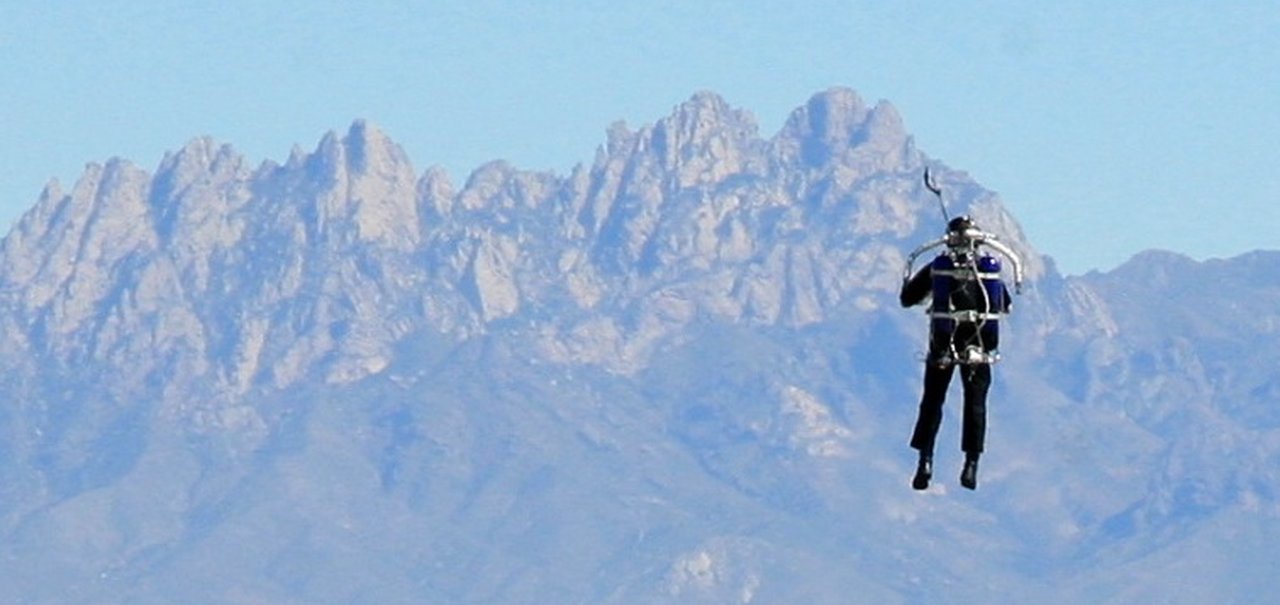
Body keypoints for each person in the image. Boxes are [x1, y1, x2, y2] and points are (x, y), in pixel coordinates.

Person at [899, 216, 1012, 490]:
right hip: (980, 346)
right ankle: (971, 465)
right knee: (975, 404)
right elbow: (1004, 304)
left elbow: (907, 299)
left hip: (943, 343)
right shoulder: (987, 269)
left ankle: (924, 461)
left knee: (932, 402)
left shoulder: (939, 267)